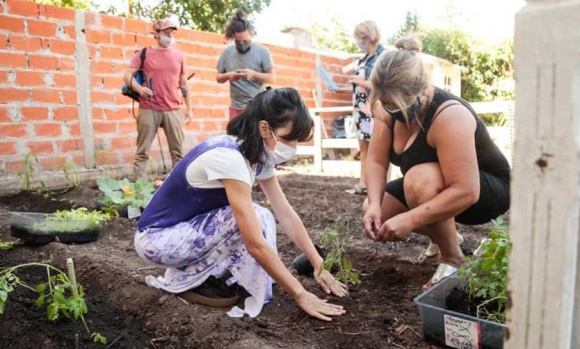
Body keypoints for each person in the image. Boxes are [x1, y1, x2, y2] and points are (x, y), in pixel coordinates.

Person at [134, 87, 347, 320]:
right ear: (265, 128)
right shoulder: (230, 158)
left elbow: (284, 212)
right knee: (244, 219)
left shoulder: (258, 156)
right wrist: (300, 293)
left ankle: (220, 276)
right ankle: (188, 281)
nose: (293, 147)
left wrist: (318, 264)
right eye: (288, 138)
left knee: (262, 215)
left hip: (184, 232)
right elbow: (254, 242)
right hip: (157, 240)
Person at [362, 35, 510, 289]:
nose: (390, 110)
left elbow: (467, 190)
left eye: (396, 104)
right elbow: (376, 161)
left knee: (419, 179)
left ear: (422, 90)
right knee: (373, 209)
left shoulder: (449, 115)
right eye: (385, 103)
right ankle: (448, 237)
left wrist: (410, 220)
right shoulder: (386, 108)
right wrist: (375, 203)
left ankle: (452, 258)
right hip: (435, 185)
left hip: (486, 190)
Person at [123, 18, 193, 179]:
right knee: (142, 152)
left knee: (178, 154)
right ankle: (139, 192)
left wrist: (189, 108)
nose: (169, 35)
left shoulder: (178, 55)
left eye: (171, 32)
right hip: (149, 107)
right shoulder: (144, 53)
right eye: (166, 32)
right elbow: (127, 75)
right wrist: (140, 89)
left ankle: (177, 189)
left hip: (173, 109)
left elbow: (184, 84)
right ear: (156, 33)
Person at [334, 21, 385, 195]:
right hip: (361, 109)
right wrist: (340, 88)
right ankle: (363, 184)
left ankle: (378, 187)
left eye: (358, 37)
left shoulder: (382, 57)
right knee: (364, 150)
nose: (357, 41)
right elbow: (360, 88)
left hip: (374, 110)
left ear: (367, 36)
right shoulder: (364, 59)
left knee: (377, 151)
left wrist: (359, 81)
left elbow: (382, 85)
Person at [216, 9, 275, 120]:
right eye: (238, 42)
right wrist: (229, 75)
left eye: (245, 41)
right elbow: (218, 78)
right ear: (234, 37)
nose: (242, 44)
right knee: (235, 137)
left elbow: (272, 78)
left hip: (258, 107)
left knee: (257, 137)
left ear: (251, 35)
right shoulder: (227, 53)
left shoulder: (262, 51)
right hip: (236, 108)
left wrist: (253, 74)